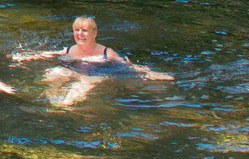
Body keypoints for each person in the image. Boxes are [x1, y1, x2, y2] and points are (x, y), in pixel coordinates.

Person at [11, 15, 172, 106]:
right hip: (74, 70)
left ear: (94, 34)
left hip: (93, 74)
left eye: (85, 31)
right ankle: (51, 99)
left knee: (83, 84)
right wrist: (27, 56)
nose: (80, 34)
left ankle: (64, 106)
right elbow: (50, 54)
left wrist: (153, 74)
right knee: (54, 73)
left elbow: (129, 66)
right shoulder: (70, 50)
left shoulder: (106, 53)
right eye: (77, 30)